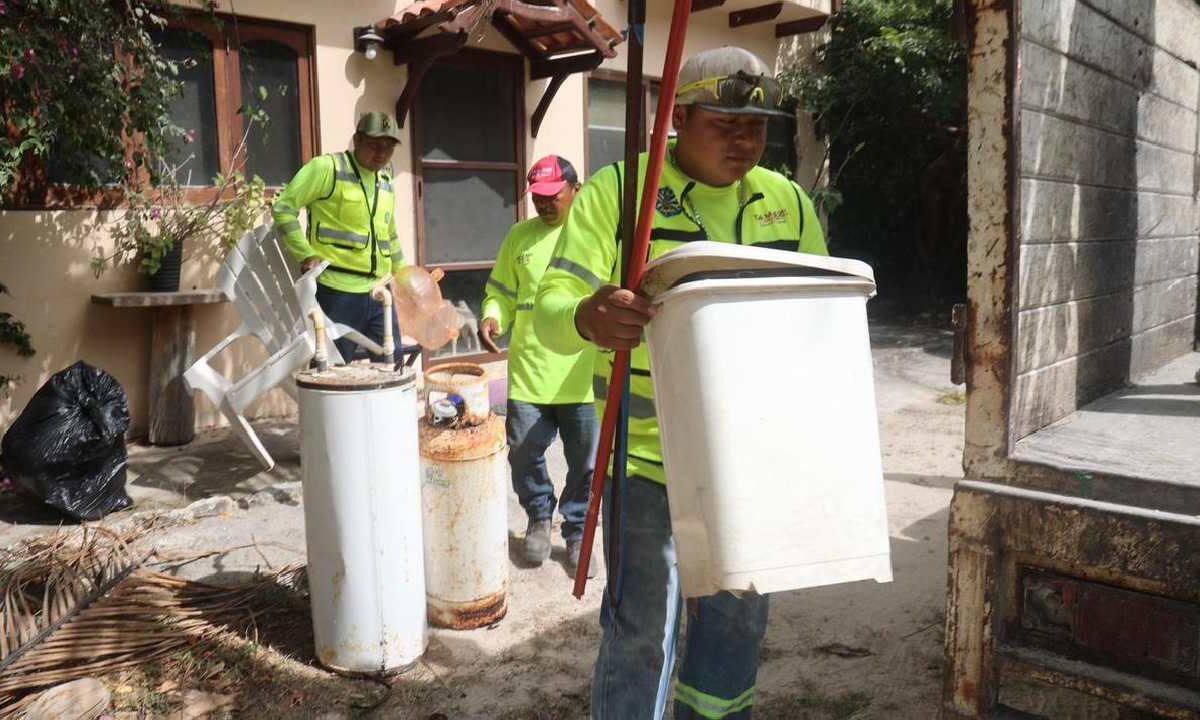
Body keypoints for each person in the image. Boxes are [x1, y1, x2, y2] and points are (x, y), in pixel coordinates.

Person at [534, 47, 828, 719]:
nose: (744, 141)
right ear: (679, 118)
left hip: (749, 465)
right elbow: (550, 308)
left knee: (736, 625)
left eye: (756, 126)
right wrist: (588, 315)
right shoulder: (621, 191)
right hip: (644, 462)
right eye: (724, 124)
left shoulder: (789, 203)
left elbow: (817, 318)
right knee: (642, 635)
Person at [480, 155, 598, 576]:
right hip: (530, 371)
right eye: (538, 198)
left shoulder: (595, 235)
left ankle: (579, 530)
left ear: (576, 190)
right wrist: (492, 315)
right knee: (523, 450)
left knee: (586, 462)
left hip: (583, 374)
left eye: (553, 196)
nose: (545, 204)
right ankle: (539, 516)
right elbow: (500, 291)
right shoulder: (520, 237)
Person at [273, 111, 405, 364]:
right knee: (332, 370)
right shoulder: (327, 168)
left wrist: (403, 274)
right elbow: (283, 209)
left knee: (393, 365)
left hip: (379, 293)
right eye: (374, 145)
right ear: (357, 140)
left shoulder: (386, 180)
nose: (381, 153)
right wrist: (306, 254)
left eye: (388, 147)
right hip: (337, 292)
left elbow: (389, 234)